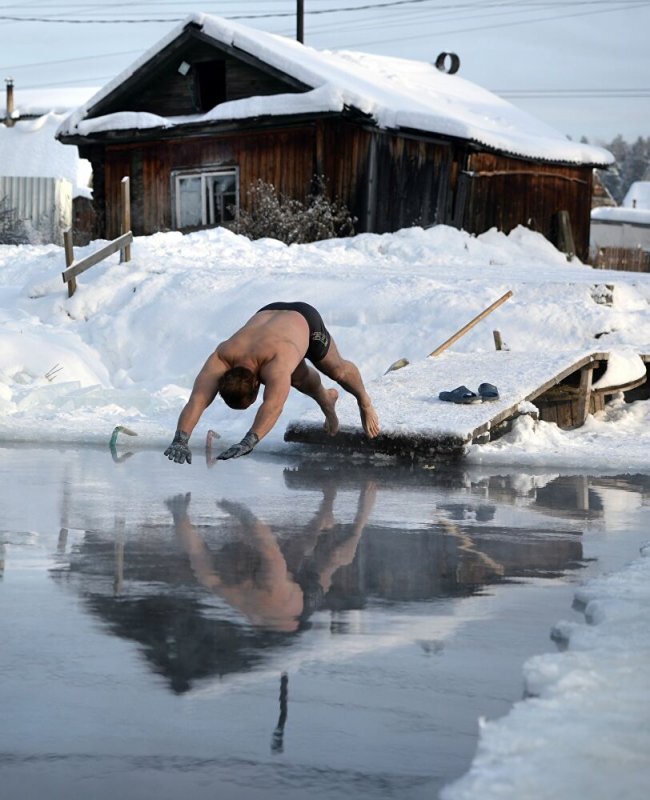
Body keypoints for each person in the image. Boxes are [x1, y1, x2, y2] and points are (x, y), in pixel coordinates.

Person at [164, 301, 380, 463]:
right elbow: (197, 400)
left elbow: (273, 406)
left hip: (305, 321)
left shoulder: (275, 365)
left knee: (337, 370)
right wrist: (180, 439)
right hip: (268, 315)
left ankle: (364, 401)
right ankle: (327, 400)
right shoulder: (222, 356)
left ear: (259, 383)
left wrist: (249, 441)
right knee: (298, 378)